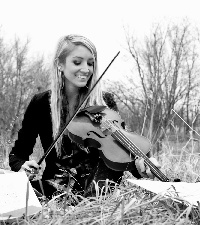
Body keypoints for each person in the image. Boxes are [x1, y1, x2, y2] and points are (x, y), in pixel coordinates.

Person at [9, 34, 160, 199]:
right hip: (55, 189)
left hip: (100, 191)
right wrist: (22, 165)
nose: (86, 69)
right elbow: (17, 154)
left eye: (91, 63)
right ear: (60, 64)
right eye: (77, 62)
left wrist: (142, 166)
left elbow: (121, 152)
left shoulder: (105, 101)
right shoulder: (41, 103)